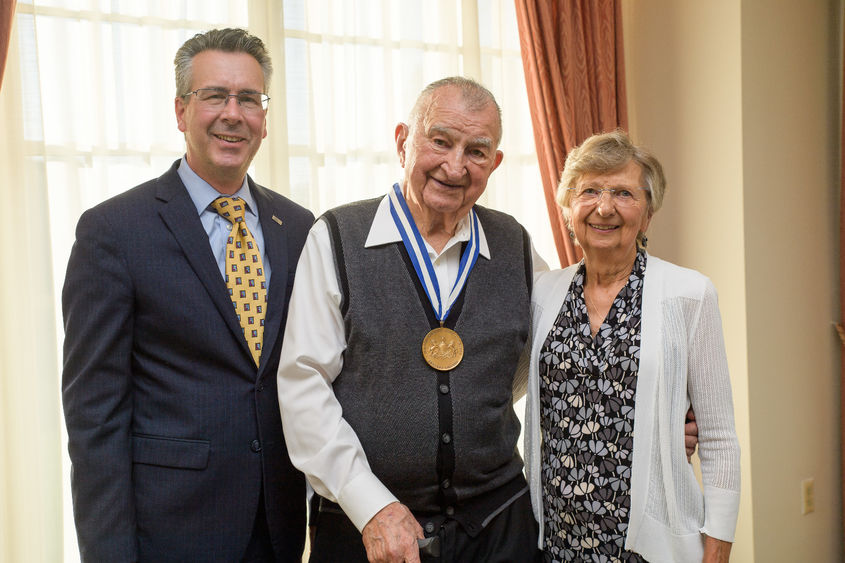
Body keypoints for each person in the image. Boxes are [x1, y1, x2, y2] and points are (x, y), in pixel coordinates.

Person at [62, 28, 314, 562]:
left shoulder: (297, 226)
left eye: (249, 98)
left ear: (263, 119)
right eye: (214, 96)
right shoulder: (113, 231)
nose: (233, 113)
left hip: (279, 526)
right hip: (170, 532)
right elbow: (95, 418)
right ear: (181, 112)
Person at [276, 77, 545, 562]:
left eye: (477, 151)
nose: (455, 165)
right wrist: (371, 506)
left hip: (500, 529)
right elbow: (303, 386)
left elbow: (565, 348)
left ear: (496, 163)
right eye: (440, 141)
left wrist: (664, 403)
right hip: (366, 531)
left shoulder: (516, 246)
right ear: (403, 141)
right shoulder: (335, 236)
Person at [522, 130, 741, 562]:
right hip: (556, 543)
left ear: (647, 214)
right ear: (569, 208)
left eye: (623, 192)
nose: (605, 207)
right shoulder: (541, 293)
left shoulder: (688, 294)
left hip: (650, 546)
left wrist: (717, 549)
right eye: (589, 191)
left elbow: (718, 437)